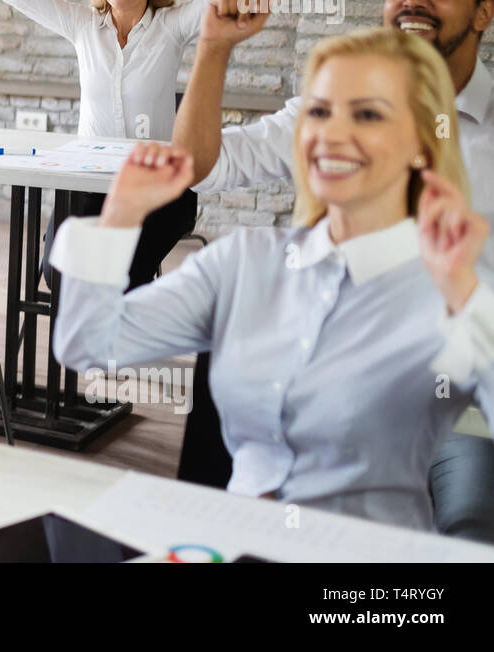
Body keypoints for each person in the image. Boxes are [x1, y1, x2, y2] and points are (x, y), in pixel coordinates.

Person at [53, 27, 493, 532]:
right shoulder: (246, 260)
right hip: (234, 539)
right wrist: (121, 217)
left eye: (368, 114)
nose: (332, 134)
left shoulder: (448, 288)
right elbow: (87, 346)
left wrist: (465, 294)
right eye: (320, 111)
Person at [172, 0, 494, 540]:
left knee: (468, 532)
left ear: (485, 12)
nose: (414, 0)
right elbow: (199, 167)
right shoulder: (337, 107)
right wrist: (213, 49)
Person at [0, 0, 255, 287]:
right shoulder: (83, 27)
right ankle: (82, 350)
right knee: (58, 273)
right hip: (87, 182)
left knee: (118, 273)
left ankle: (117, 342)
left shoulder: (171, 26)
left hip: (161, 189)